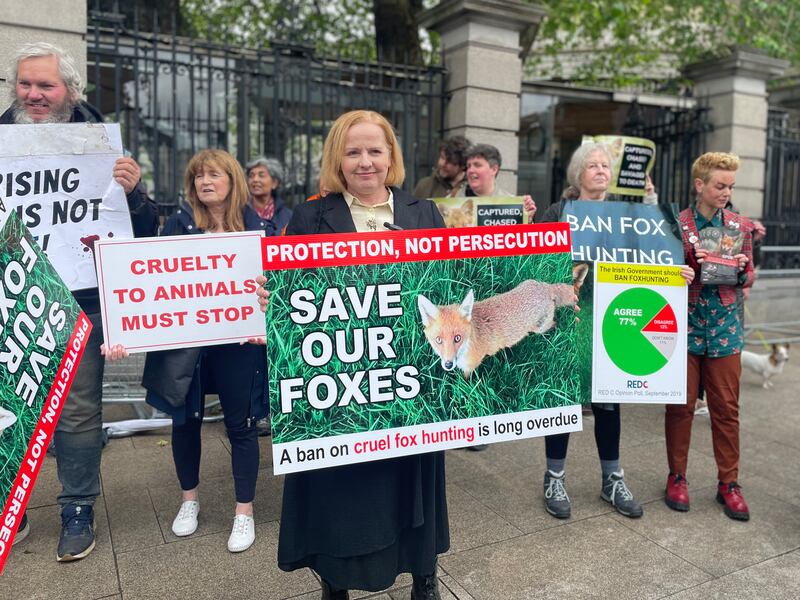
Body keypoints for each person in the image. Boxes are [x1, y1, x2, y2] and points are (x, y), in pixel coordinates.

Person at [260, 110, 448, 600]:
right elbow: (294, 299)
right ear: (337, 160)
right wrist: (274, 298)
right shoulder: (309, 217)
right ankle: (336, 579)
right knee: (344, 486)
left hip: (410, 380)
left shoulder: (423, 213)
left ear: (391, 157)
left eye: (375, 151)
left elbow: (453, 288)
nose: (365, 162)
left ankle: (422, 573)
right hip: (342, 383)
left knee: (411, 478)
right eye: (353, 152)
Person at [1, 42, 159, 561]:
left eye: (45, 85)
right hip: (13, 297)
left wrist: (134, 193)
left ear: (69, 89)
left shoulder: (102, 144)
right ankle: (11, 508)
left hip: (83, 301)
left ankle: (76, 508)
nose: (34, 94)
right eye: (25, 84)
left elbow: (143, 228)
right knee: (8, 408)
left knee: (77, 412)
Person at [525, 142, 693, 520]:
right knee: (563, 399)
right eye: (593, 165)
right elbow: (532, 258)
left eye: (606, 165)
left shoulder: (629, 215)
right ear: (578, 174)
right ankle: (554, 477)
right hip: (571, 316)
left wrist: (676, 272)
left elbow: (656, 254)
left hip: (615, 316)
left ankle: (611, 478)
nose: (600, 170)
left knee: (608, 398)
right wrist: (526, 223)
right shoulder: (560, 211)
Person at [664, 152, 754, 521]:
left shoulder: (738, 226)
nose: (726, 192)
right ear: (700, 185)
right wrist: (678, 270)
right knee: (680, 407)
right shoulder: (673, 225)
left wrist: (744, 270)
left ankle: (728, 484)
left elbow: (748, 279)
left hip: (725, 330)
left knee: (726, 410)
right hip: (683, 327)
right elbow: (654, 274)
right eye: (720, 185)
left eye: (730, 186)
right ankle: (677, 476)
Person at [246, 156, 293, 231]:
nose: (255, 179)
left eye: (261, 175)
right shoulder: (239, 214)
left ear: (274, 183)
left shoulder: (288, 216)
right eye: (251, 176)